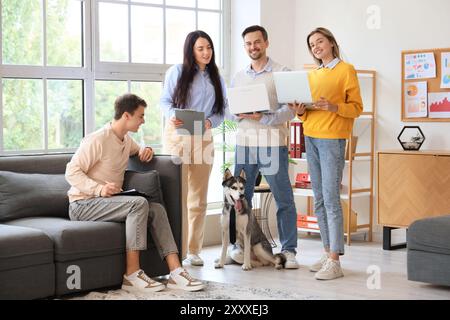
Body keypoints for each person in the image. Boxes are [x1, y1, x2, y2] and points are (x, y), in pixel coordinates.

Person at [65, 93, 205, 292]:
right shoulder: (97, 140)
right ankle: (131, 275)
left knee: (155, 208)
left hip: (108, 203)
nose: (143, 120)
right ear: (126, 116)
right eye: (140, 116)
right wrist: (99, 188)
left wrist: (145, 150)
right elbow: (71, 171)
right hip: (82, 205)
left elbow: (137, 150)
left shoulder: (125, 140)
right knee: (139, 203)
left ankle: (176, 272)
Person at [289, 27, 363, 280]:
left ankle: (335, 260)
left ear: (331, 42)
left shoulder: (346, 70)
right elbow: (305, 112)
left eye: (320, 41)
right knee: (319, 198)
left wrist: (333, 106)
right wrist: (299, 110)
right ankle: (327, 250)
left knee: (331, 198)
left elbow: (356, 108)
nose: (316, 46)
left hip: (333, 140)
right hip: (311, 137)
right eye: (312, 44)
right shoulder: (312, 74)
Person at [229, 25, 299, 269]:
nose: (253, 47)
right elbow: (230, 112)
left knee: (283, 197)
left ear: (266, 43)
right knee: (240, 197)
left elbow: (291, 109)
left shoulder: (282, 72)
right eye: (248, 43)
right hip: (244, 144)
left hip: (271, 144)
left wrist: (265, 117)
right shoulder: (239, 76)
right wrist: (238, 113)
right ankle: (240, 247)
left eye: (257, 42)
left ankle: (289, 251)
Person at [160, 30, 227, 266]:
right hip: (178, 135)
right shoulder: (177, 71)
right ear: (191, 50)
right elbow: (165, 101)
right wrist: (172, 116)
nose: (206, 52)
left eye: (208, 47)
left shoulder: (215, 77)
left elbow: (222, 110)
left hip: (204, 136)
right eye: (201, 48)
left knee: (199, 198)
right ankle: (174, 250)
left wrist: (211, 122)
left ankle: (194, 250)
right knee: (178, 195)